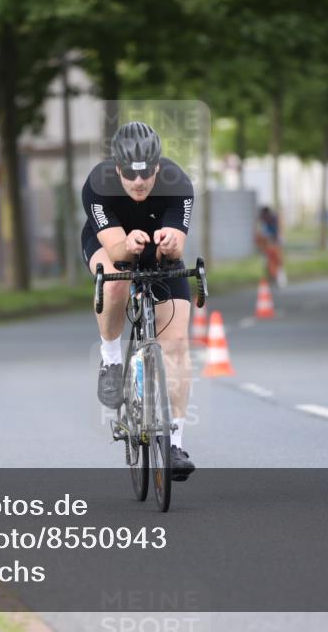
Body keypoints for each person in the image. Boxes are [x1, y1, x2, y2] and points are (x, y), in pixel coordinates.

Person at [81, 121, 195, 480]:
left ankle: (174, 443)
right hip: (109, 244)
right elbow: (116, 250)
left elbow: (178, 245)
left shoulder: (180, 185)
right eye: (130, 174)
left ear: (158, 167)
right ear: (118, 168)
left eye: (147, 173)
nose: (139, 182)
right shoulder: (97, 185)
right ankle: (112, 359)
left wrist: (168, 243)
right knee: (115, 282)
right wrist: (127, 245)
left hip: (157, 253)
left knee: (175, 342)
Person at [256, 206, 286, 288]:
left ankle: (280, 279)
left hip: (275, 243)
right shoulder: (264, 220)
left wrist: (274, 241)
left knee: (277, 261)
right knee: (267, 262)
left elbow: (277, 234)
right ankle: (271, 278)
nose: (263, 217)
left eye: (264, 215)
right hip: (268, 244)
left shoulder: (274, 220)